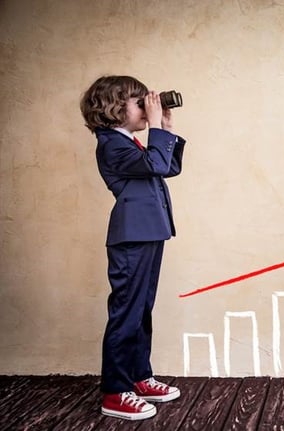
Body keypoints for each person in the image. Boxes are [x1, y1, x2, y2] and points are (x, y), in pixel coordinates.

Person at [80, 75, 185, 421]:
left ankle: (138, 377)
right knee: (126, 311)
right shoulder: (111, 143)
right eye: (139, 103)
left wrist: (164, 127)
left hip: (149, 232)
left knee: (142, 310)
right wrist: (155, 128)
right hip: (131, 237)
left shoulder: (130, 142)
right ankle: (115, 391)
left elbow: (167, 167)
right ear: (114, 108)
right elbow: (156, 164)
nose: (146, 108)